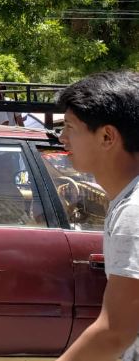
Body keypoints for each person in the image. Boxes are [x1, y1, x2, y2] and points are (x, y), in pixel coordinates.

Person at [56, 71, 139, 361]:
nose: (61, 137)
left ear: (107, 137)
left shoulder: (134, 211)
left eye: (69, 127)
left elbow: (115, 332)